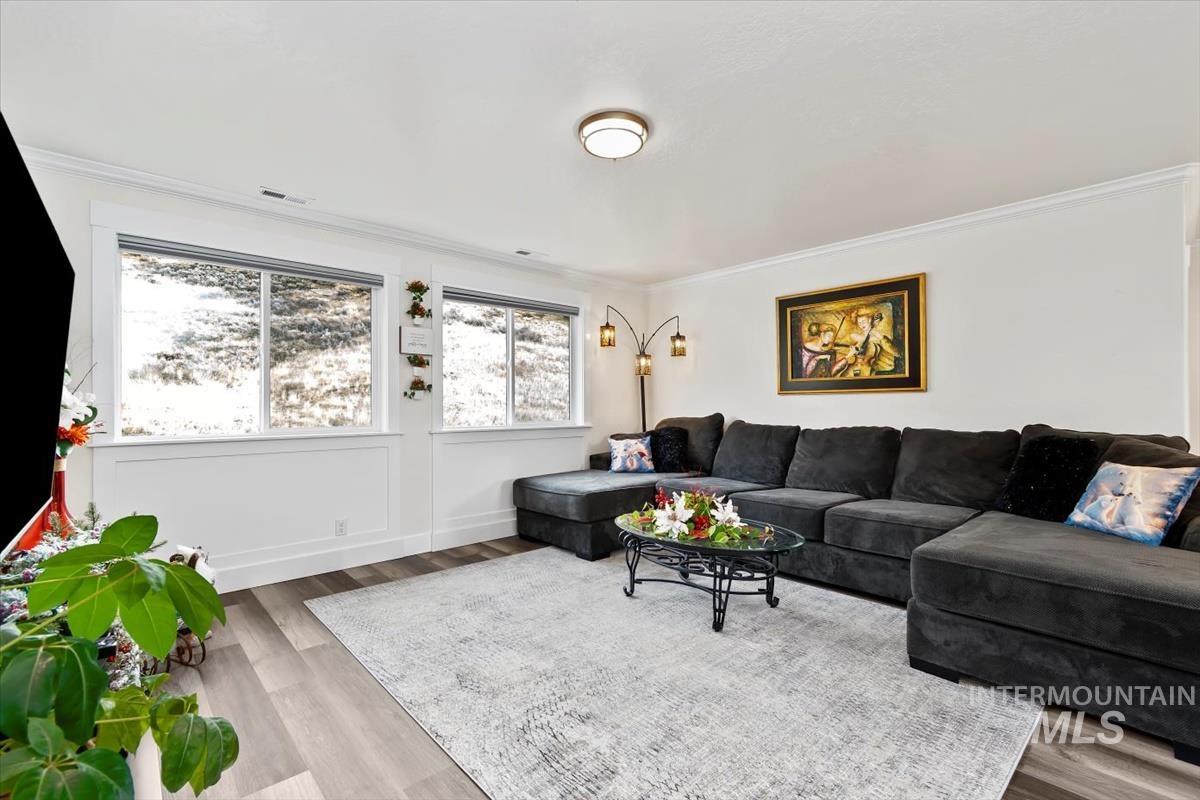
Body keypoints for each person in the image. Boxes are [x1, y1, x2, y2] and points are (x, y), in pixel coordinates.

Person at [835, 306, 900, 377]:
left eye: (863, 321)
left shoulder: (876, 336)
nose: (861, 324)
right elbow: (840, 346)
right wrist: (851, 352)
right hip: (854, 366)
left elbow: (896, 353)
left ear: (870, 320)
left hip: (867, 367)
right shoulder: (855, 336)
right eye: (859, 322)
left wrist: (881, 338)